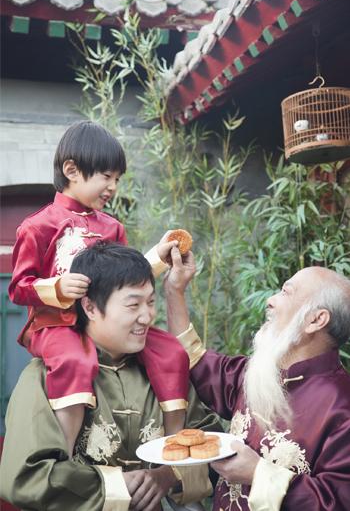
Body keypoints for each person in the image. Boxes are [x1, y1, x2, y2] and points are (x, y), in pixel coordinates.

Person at [8, 120, 188, 458]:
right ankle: (64, 453)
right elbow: (18, 288)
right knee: (75, 361)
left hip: (105, 323)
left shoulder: (112, 227)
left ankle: (176, 452)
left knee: (172, 352)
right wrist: (57, 287)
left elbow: (125, 279)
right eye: (106, 176)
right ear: (72, 170)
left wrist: (159, 259)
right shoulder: (36, 226)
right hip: (57, 326)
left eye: (117, 179)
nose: (113, 187)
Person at [0, 242, 222, 511]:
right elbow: (26, 476)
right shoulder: (44, 377)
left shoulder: (166, 372)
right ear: (90, 307)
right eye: (133, 305)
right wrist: (118, 486)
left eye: (151, 302)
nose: (146, 316)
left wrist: (169, 476)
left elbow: (210, 444)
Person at [164, 249, 350, 511]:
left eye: (287, 292)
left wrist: (258, 473)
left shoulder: (342, 406)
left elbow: (337, 502)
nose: (271, 301)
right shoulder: (257, 374)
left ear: (316, 320)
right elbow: (193, 359)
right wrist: (174, 291)